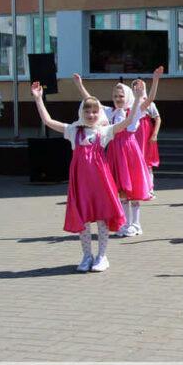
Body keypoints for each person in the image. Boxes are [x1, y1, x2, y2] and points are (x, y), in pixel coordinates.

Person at [30, 80, 144, 272]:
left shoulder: (104, 131)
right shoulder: (74, 130)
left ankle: (102, 256)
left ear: (99, 113)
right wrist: (39, 100)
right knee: (83, 220)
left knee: (101, 219)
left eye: (94, 111)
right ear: (81, 113)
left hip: (101, 183)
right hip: (80, 184)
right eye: (87, 111)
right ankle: (86, 256)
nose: (91, 115)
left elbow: (127, 122)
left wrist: (139, 98)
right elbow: (48, 122)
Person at [74, 68, 162, 237]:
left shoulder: (135, 110)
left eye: (121, 96)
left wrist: (155, 79)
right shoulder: (110, 112)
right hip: (114, 153)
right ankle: (124, 223)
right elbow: (92, 102)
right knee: (119, 190)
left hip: (130, 153)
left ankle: (135, 224)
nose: (118, 99)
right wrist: (80, 86)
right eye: (115, 96)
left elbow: (150, 98)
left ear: (127, 96)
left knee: (133, 189)